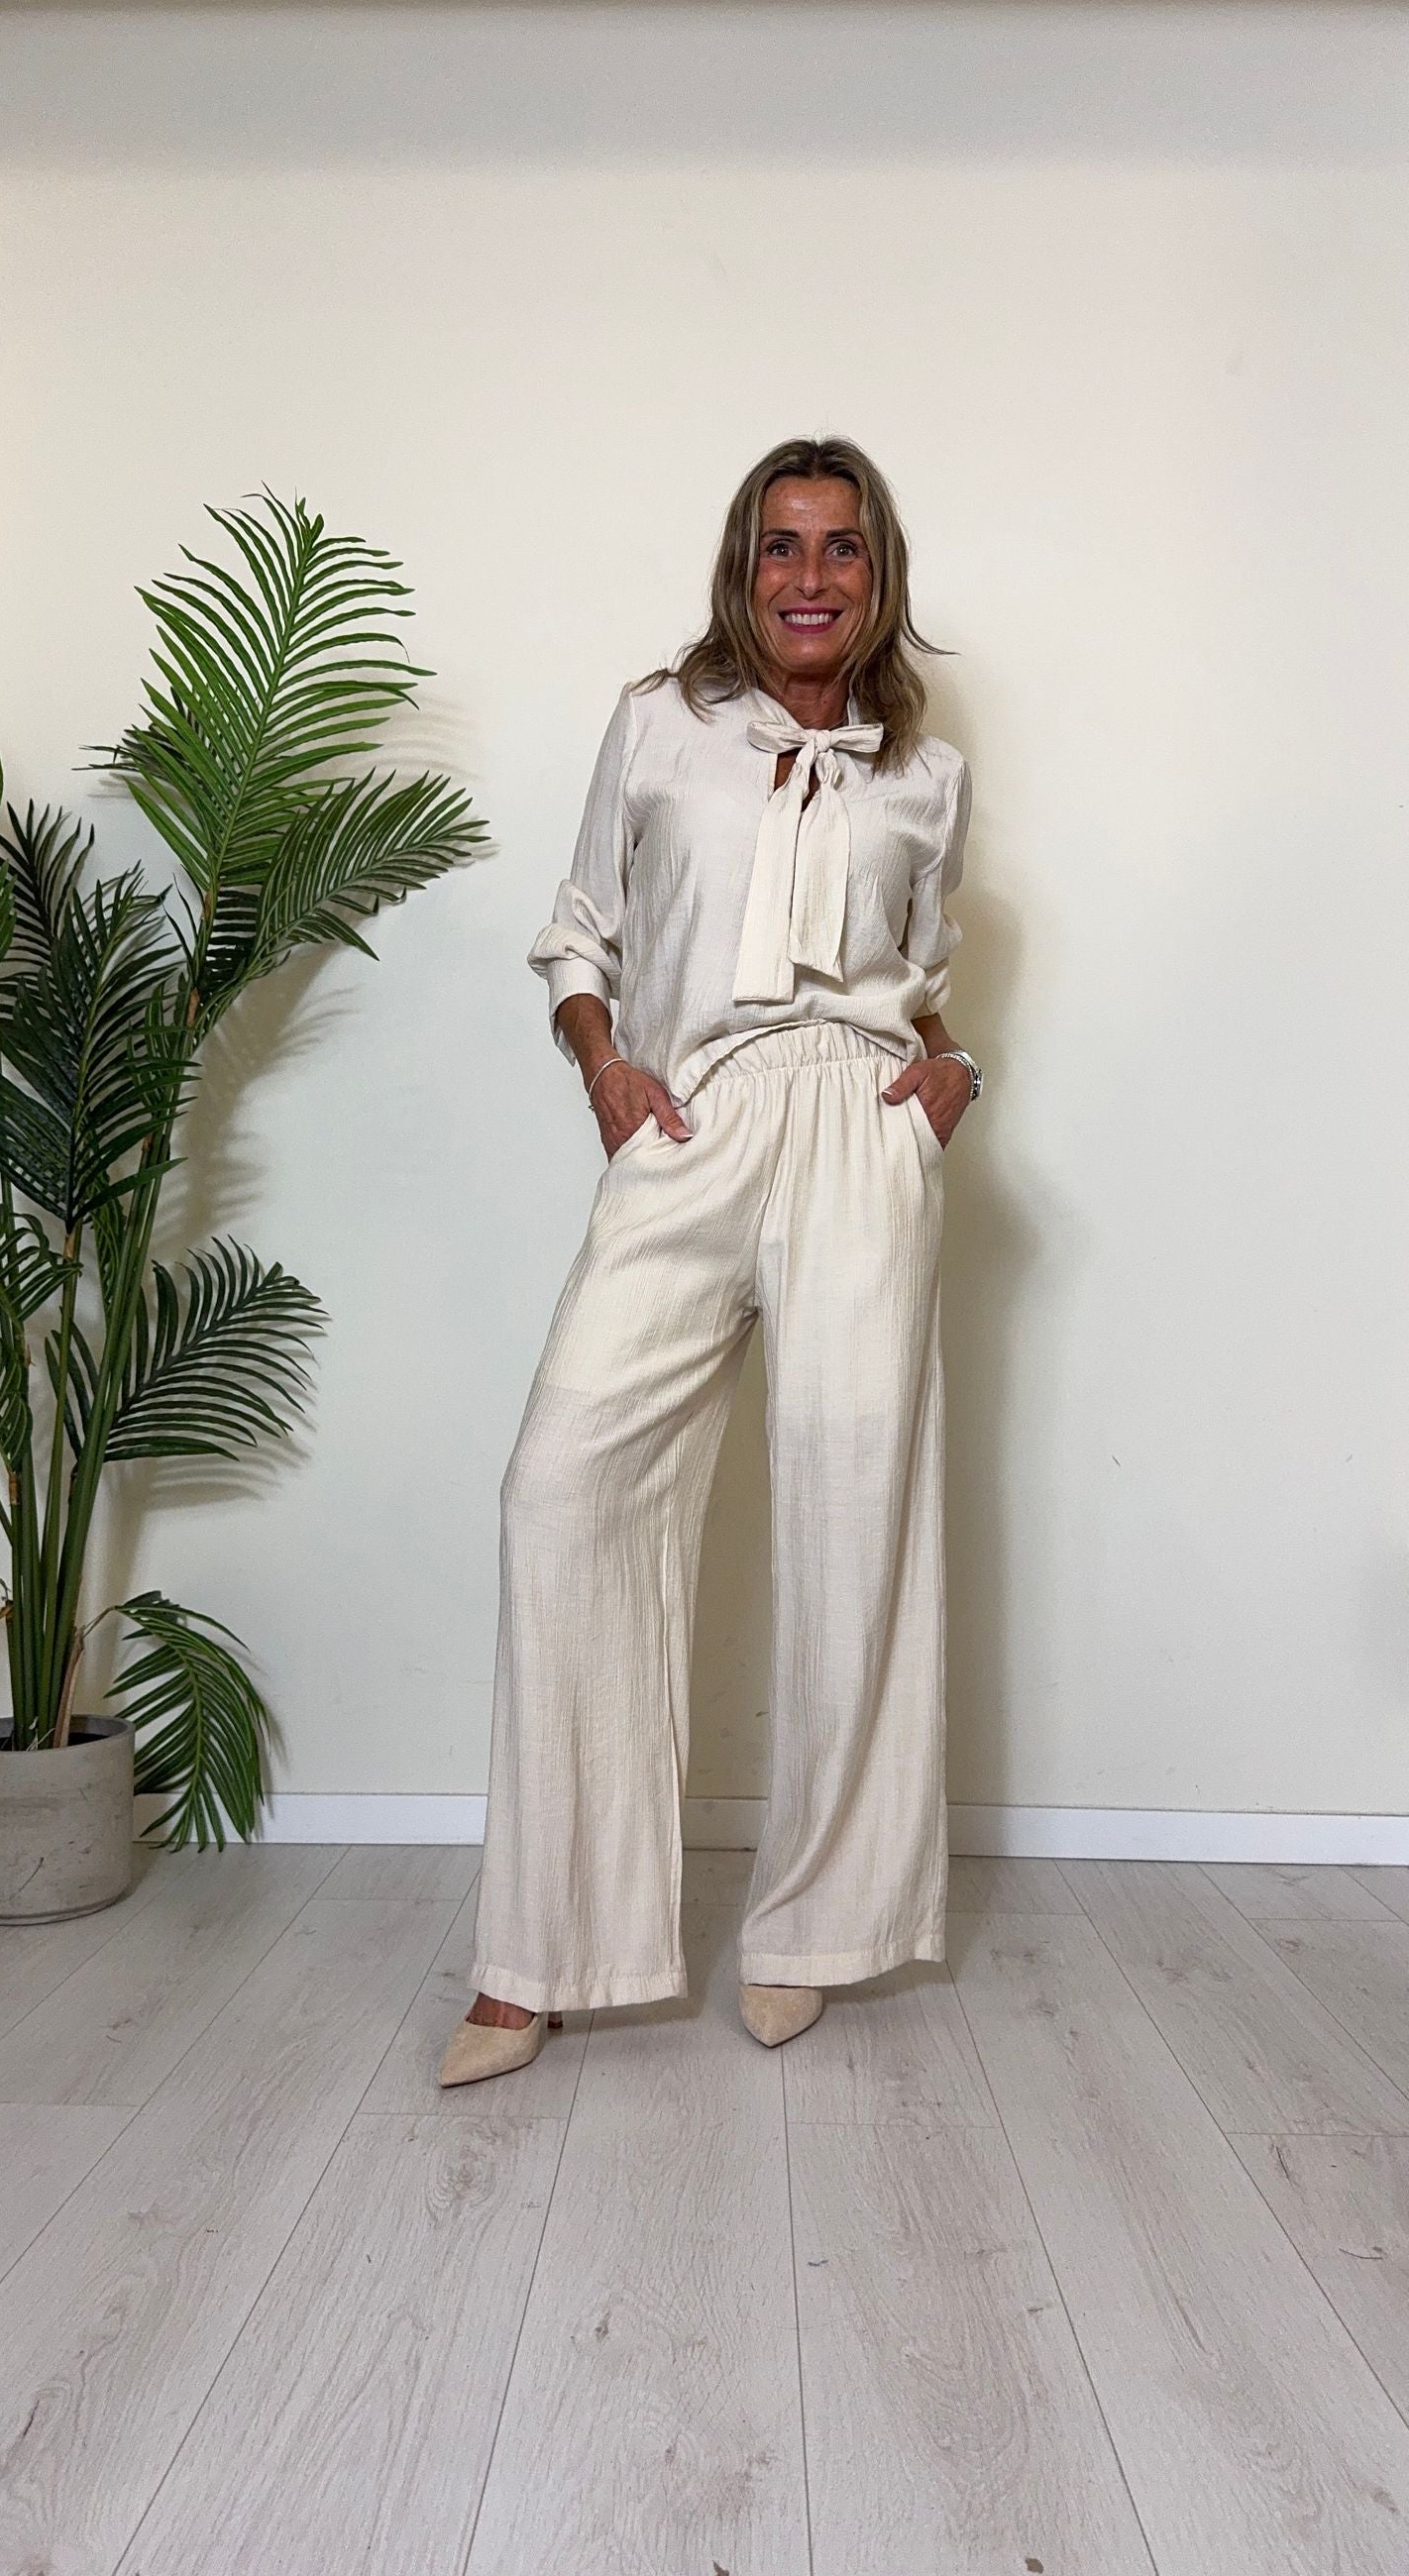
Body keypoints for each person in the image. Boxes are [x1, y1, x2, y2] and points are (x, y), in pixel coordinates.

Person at [437, 433, 980, 2089]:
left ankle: (815, 1925)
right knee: (562, 1486)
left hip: (862, 1137)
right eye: (780, 547)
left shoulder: (927, 776)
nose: (810, 577)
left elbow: (925, 981)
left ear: (880, 575)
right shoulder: (658, 725)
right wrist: (606, 1069)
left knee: (851, 1522)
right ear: (741, 570)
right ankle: (541, 1953)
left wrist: (953, 1077)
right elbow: (580, 928)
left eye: (842, 547)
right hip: (692, 1117)